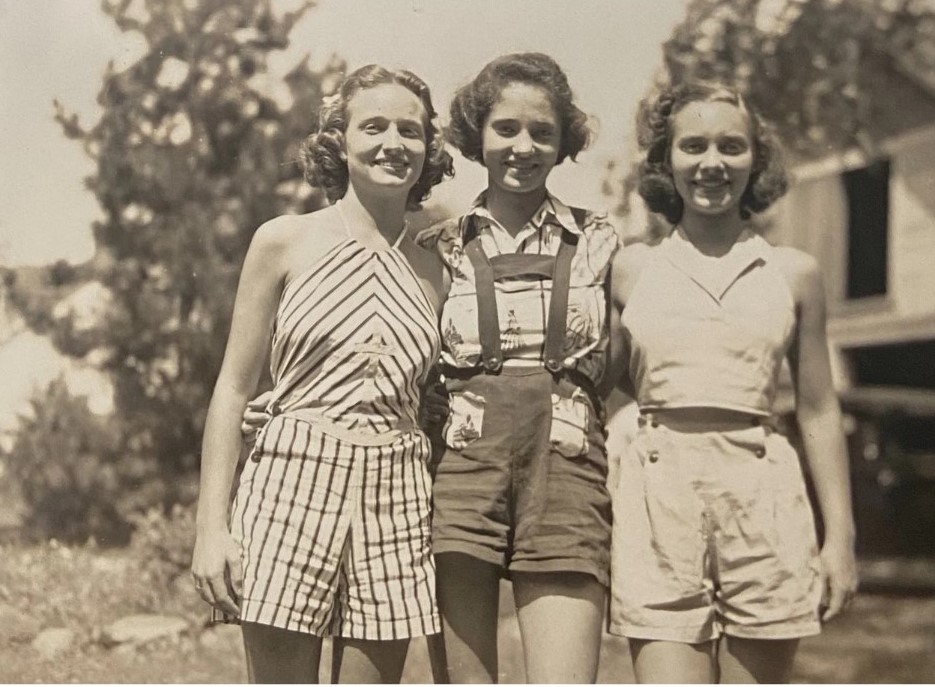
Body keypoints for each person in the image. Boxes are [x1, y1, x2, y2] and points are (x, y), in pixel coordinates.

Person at [191, 64, 453, 684]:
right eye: (374, 126)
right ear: (338, 140)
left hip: (397, 493)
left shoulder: (439, 263)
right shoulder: (285, 240)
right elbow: (231, 391)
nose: (394, 143)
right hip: (291, 483)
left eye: (411, 131)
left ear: (429, 147)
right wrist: (211, 529)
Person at [607, 81, 859, 683]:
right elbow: (597, 389)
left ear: (757, 159)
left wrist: (841, 538)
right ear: (667, 160)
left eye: (732, 146)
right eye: (693, 146)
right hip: (657, 497)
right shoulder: (631, 268)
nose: (713, 164)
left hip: (763, 495)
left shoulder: (795, 273)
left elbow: (820, 411)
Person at [417, 52, 620, 683]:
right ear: (479, 133)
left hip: (565, 469)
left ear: (564, 144)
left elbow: (638, 356)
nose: (523, 146)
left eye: (543, 132)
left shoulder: (602, 241)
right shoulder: (439, 247)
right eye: (506, 128)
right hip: (462, 473)